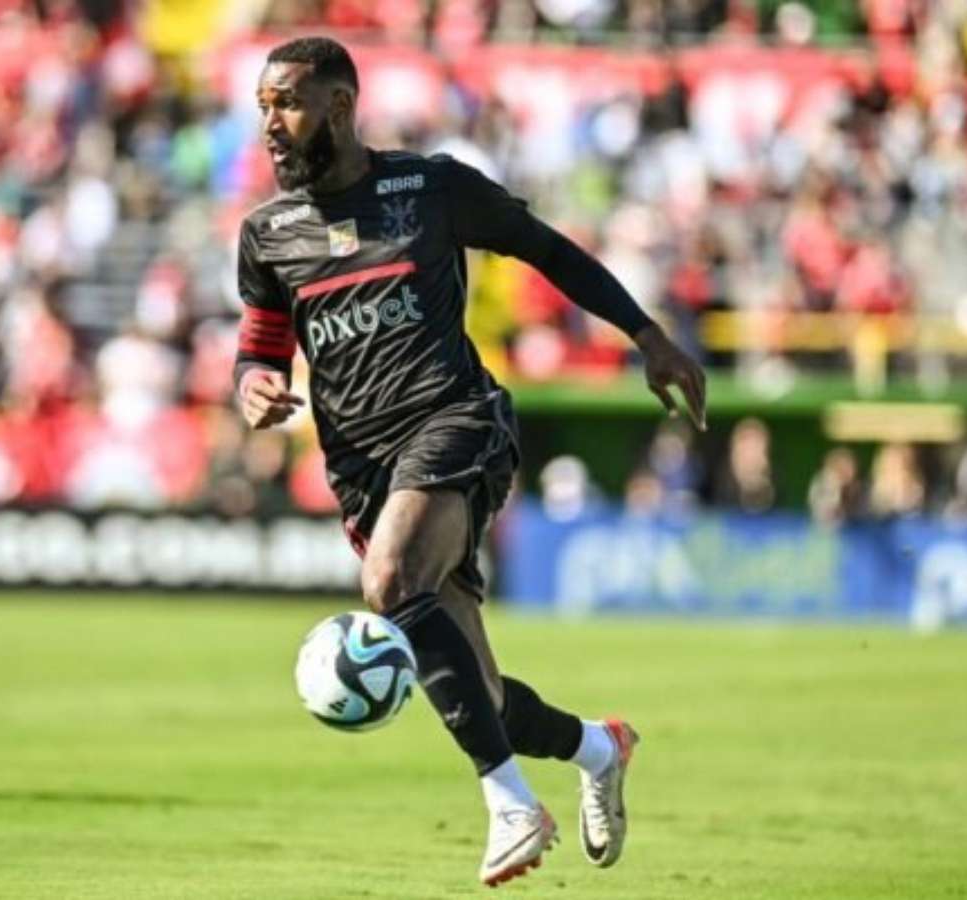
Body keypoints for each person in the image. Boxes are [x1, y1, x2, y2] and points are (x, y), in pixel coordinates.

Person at [233, 37, 707, 888]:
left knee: (390, 582)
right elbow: (261, 345)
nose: (270, 123)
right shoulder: (268, 236)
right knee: (477, 697)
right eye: (263, 106)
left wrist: (647, 335)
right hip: (363, 472)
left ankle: (511, 805)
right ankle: (599, 749)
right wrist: (253, 385)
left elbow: (547, 249)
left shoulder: (431, 189)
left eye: (288, 104)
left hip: (457, 421)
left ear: (340, 107)